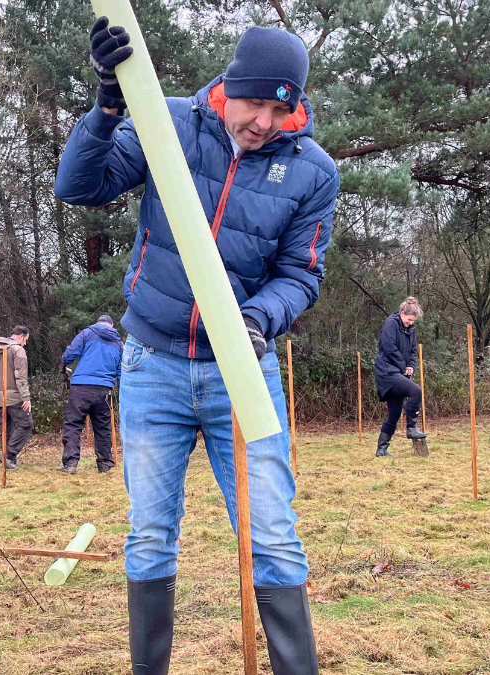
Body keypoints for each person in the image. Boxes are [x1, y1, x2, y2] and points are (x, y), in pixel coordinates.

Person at [55, 19, 338, 675]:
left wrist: (258, 317)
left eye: (280, 106)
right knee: (150, 533)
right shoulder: (169, 123)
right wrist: (106, 106)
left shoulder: (311, 172)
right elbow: (79, 186)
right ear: (227, 87)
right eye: (254, 103)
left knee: (272, 533)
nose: (264, 121)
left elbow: (302, 275)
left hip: (242, 370)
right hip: (152, 366)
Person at [59, 314, 123, 474]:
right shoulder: (119, 344)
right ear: (112, 325)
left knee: (73, 424)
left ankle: (71, 463)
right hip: (105, 389)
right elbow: (122, 370)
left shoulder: (87, 333)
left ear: (98, 323)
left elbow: (70, 354)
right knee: (103, 427)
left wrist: (65, 362)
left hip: (81, 386)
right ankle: (105, 464)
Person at [373, 297, 426, 457]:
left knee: (394, 412)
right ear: (402, 314)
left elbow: (412, 351)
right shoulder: (391, 324)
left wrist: (411, 366)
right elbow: (389, 347)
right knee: (416, 391)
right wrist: (403, 367)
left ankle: (381, 449)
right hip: (387, 372)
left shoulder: (411, 329)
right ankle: (411, 428)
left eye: (413, 321)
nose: (410, 323)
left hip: (399, 372)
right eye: (409, 320)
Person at [0, 325, 33, 469]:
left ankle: (10, 461)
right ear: (21, 336)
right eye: (26, 340)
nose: (25, 343)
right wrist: (26, 398)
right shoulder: (18, 350)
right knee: (26, 425)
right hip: (14, 397)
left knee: (7, 428)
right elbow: (20, 376)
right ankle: (8, 455)